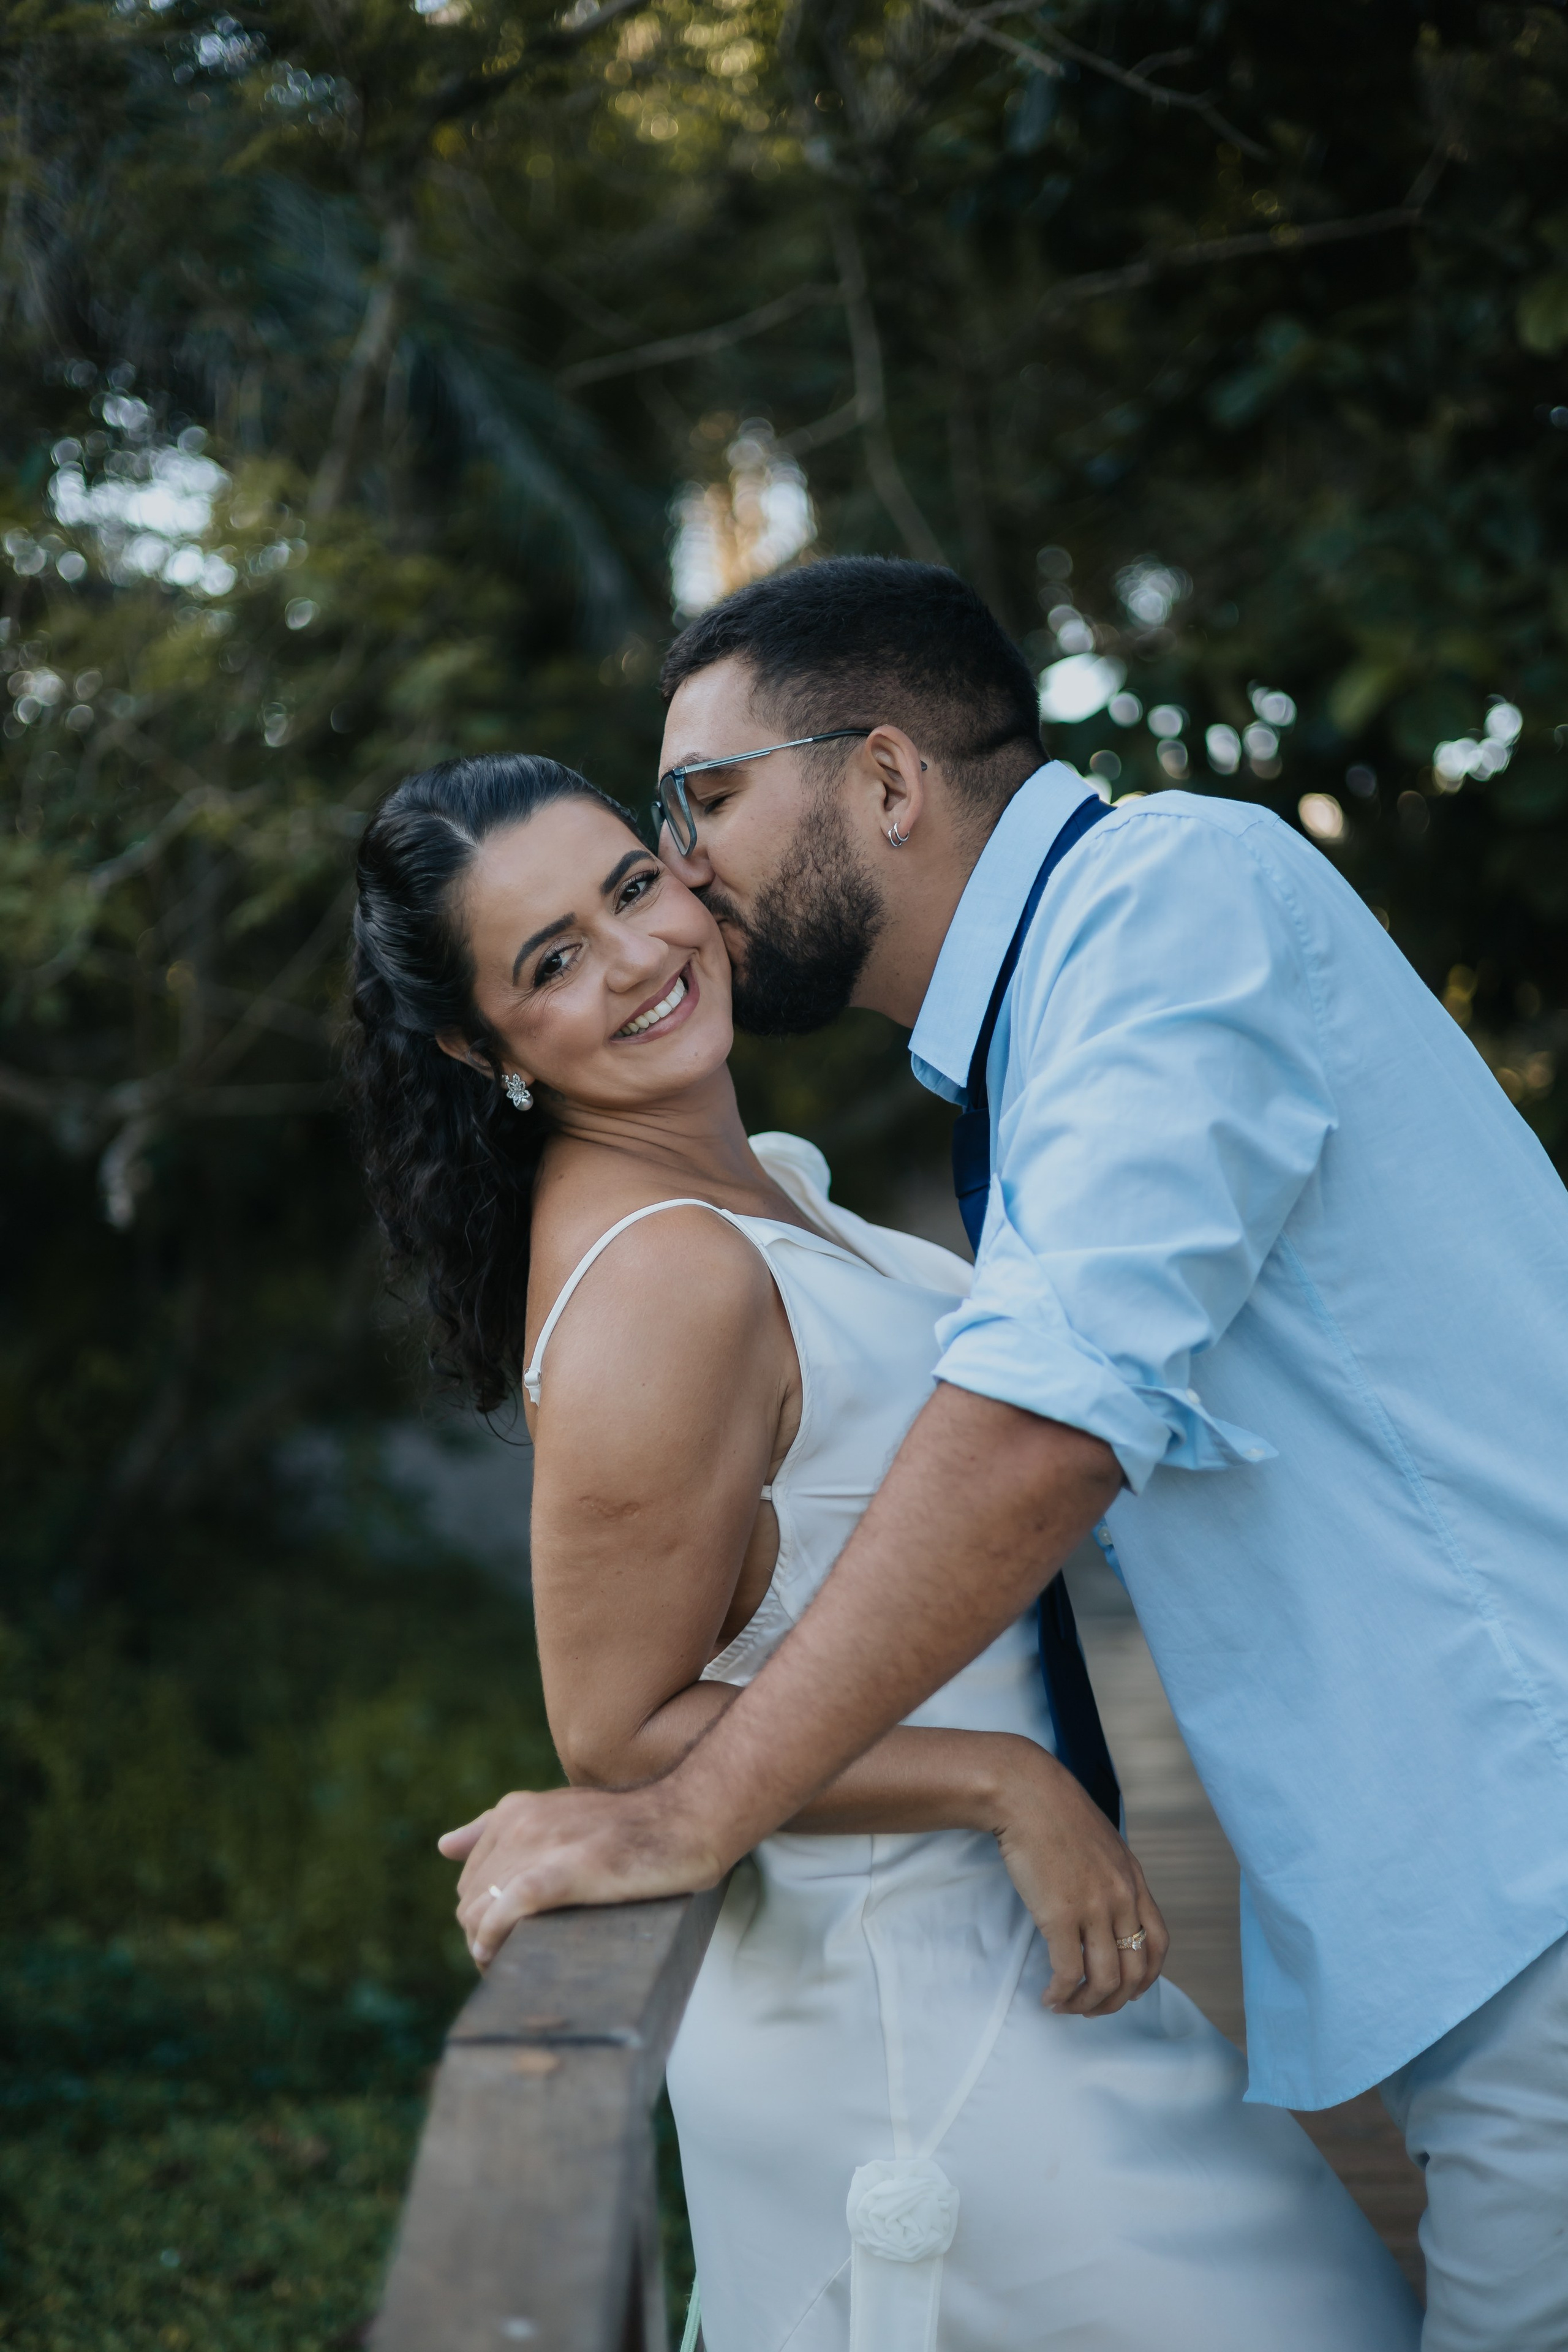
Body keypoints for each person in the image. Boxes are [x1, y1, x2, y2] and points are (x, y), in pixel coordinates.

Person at [447, 562, 1568, 2352]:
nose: (692, 886)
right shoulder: (1059, 1014)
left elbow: (1049, 1426)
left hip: (1534, 1859)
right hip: (1468, 1898)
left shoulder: (1170, 908)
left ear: (884, 779)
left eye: (702, 809)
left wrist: (687, 1815)